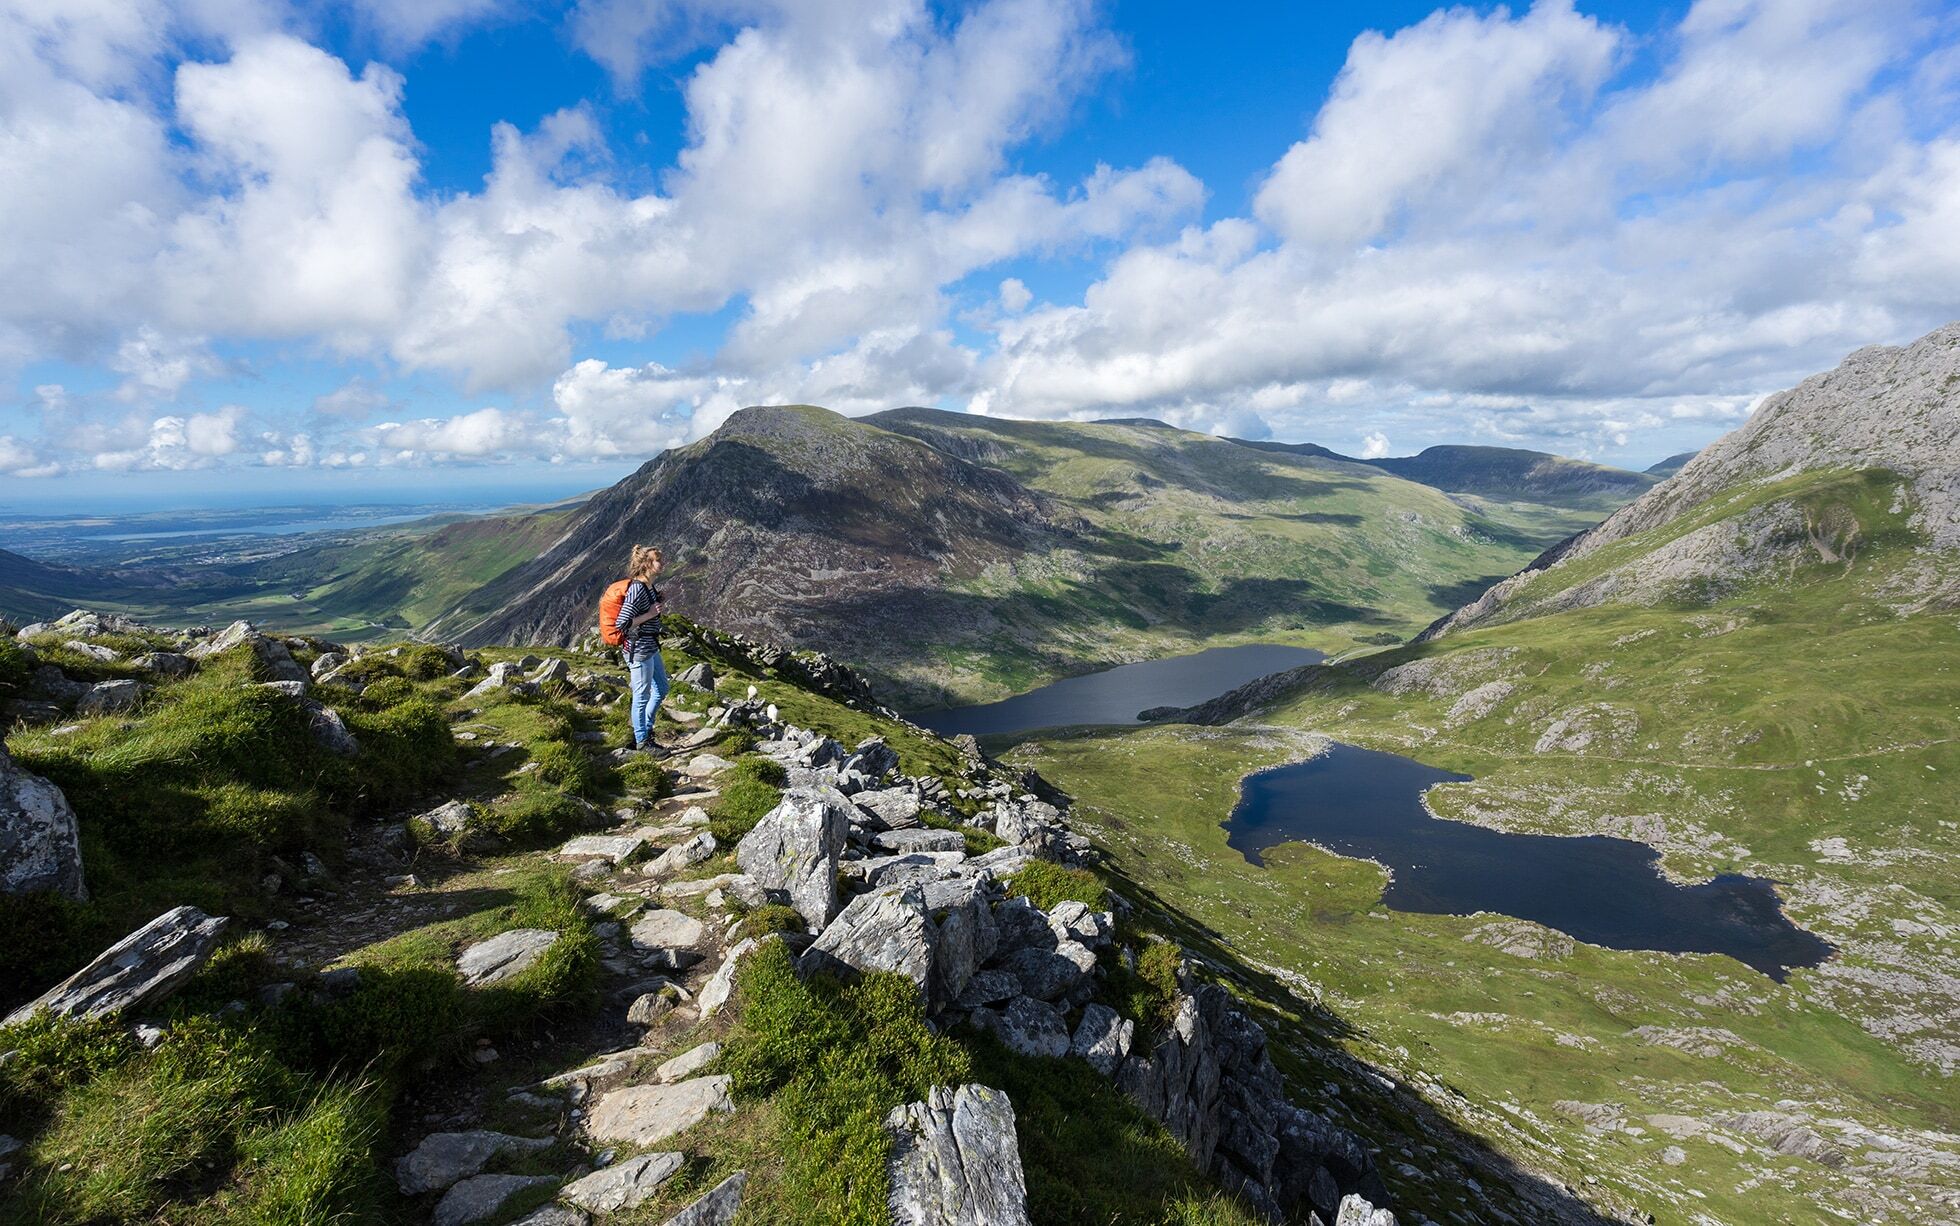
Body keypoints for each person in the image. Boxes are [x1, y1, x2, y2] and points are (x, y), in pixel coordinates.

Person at [615, 545, 669, 752]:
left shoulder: (649, 587)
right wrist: (649, 614)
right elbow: (622, 623)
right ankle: (642, 741)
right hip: (638, 649)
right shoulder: (637, 588)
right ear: (647, 564)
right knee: (641, 695)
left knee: (662, 688)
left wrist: (657, 602)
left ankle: (645, 729)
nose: (662, 564)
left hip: (650, 647)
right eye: (658, 560)